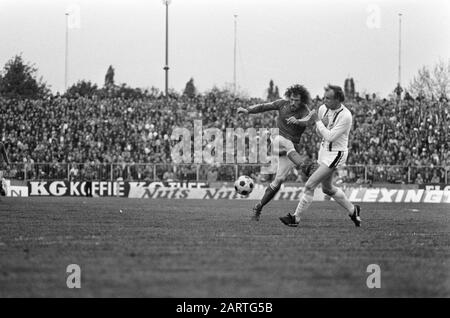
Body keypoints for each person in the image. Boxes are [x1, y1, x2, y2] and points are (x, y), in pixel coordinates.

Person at [279, 85, 361, 227]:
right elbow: (319, 133)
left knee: (310, 185)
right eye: (324, 97)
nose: (324, 100)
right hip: (323, 151)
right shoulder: (323, 109)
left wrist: (317, 121)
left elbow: (330, 137)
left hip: (336, 154)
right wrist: (320, 124)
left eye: (328, 98)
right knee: (327, 189)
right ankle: (353, 210)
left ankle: (295, 218)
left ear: (338, 99)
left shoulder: (345, 116)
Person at [237, 84, 316, 221]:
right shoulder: (281, 104)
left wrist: (298, 121)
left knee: (278, 180)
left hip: (290, 150)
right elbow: (264, 106)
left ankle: (258, 207)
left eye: (296, 100)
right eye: (291, 99)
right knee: (284, 140)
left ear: (301, 100)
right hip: (277, 141)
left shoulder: (304, 110)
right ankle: (305, 167)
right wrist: (247, 110)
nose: (293, 102)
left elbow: (309, 120)